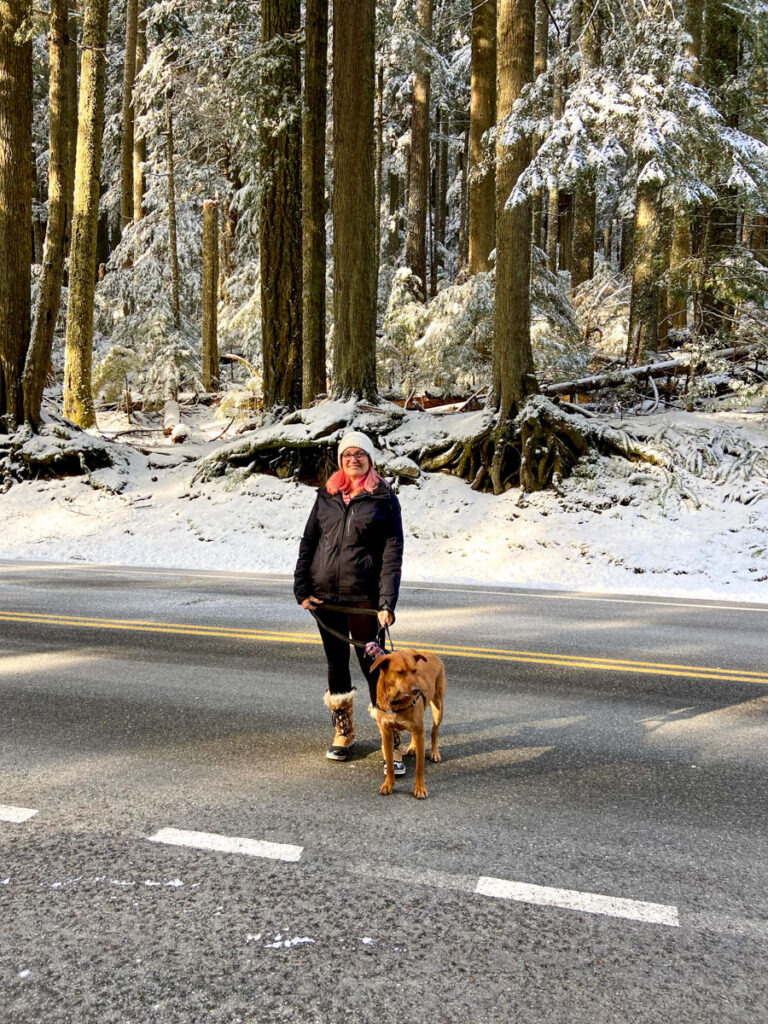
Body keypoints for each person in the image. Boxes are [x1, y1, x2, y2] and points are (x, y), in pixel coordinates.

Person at [294, 431, 405, 768]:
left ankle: (392, 737)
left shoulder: (384, 498)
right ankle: (344, 732)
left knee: (375, 668)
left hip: (364, 598)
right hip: (325, 596)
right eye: (347, 455)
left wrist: (387, 602)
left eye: (360, 455)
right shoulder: (326, 496)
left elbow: (392, 553)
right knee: (335, 663)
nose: (353, 460)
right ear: (340, 460)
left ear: (370, 459)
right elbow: (309, 541)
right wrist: (301, 588)